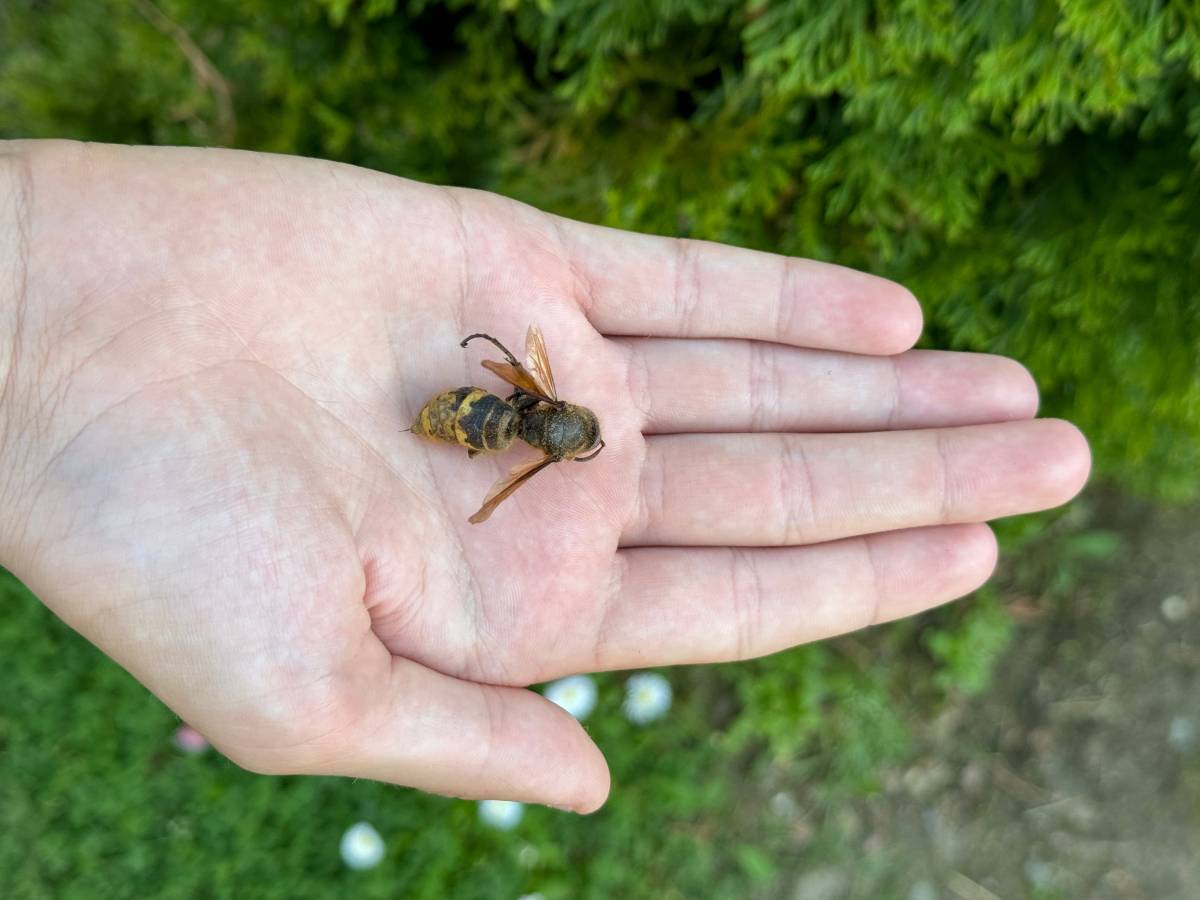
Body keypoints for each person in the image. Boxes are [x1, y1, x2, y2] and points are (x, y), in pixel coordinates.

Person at [0, 141, 1089, 813]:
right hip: (462, 422)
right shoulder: (537, 435)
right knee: (469, 417)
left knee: (472, 414)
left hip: (469, 418)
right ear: (555, 424)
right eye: (571, 432)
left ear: (550, 421)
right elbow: (510, 386)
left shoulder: (539, 415)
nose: (574, 437)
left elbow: (513, 375)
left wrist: (40, 290)